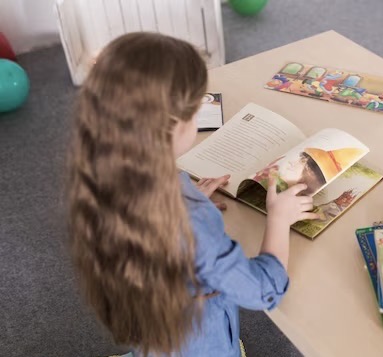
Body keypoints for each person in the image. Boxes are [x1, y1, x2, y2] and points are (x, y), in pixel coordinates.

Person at [67, 32, 318, 356]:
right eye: (195, 111)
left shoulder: (98, 170)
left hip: (155, 335)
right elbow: (262, 290)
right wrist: (279, 220)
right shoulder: (190, 225)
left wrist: (187, 189)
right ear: (172, 127)